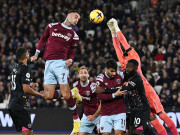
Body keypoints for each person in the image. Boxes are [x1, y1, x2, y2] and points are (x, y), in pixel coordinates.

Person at [107, 18, 178, 135]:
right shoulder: (124, 62)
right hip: (138, 95)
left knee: (161, 113)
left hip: (147, 90)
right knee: (152, 119)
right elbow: (117, 48)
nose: (129, 48)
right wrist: (112, 32)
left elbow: (124, 43)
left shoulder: (134, 56)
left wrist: (117, 28)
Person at [31, 10, 81, 133]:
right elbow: (43, 39)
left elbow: (72, 53)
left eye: (78, 19)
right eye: (75, 17)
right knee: (48, 96)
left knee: (65, 95)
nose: (76, 20)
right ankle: (73, 93)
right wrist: (36, 54)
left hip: (61, 64)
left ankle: (76, 119)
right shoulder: (52, 26)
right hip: (48, 63)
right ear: (68, 16)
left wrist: (70, 59)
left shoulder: (74, 35)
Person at [8, 47, 45, 135]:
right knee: (28, 133)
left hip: (13, 104)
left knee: (28, 132)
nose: (29, 56)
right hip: (20, 105)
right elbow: (26, 89)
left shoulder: (15, 68)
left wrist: (31, 85)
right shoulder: (25, 68)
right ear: (26, 56)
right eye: (28, 54)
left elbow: (18, 85)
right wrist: (40, 94)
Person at [96, 59, 127, 135]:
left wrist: (105, 90)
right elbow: (100, 96)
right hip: (106, 112)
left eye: (115, 71)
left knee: (119, 134)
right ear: (106, 69)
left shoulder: (121, 75)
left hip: (120, 111)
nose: (114, 73)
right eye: (111, 71)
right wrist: (114, 95)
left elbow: (127, 87)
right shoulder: (100, 78)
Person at [71, 66, 101, 135]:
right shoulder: (76, 85)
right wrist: (76, 102)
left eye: (85, 73)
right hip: (86, 115)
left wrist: (94, 116)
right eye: (81, 73)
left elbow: (102, 102)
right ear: (78, 75)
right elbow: (77, 98)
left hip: (98, 115)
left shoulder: (93, 86)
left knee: (102, 133)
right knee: (77, 133)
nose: (83, 75)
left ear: (88, 75)